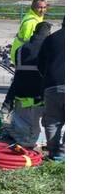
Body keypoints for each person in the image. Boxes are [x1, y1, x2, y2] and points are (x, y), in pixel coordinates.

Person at [3, 21, 53, 147]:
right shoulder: (48, 49)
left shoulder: (20, 50)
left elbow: (18, 76)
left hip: (21, 97)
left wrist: (7, 105)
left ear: (34, 32)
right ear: (48, 34)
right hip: (39, 99)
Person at [37, 20, 65, 161]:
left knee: (53, 120)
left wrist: (47, 78)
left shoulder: (51, 39)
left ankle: (54, 153)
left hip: (52, 85)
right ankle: (64, 153)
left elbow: (40, 63)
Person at [9, 0, 49, 66]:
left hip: (20, 52)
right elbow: (30, 42)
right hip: (21, 56)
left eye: (44, 7)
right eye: (40, 7)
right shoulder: (31, 22)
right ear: (33, 8)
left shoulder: (34, 16)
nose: (42, 10)